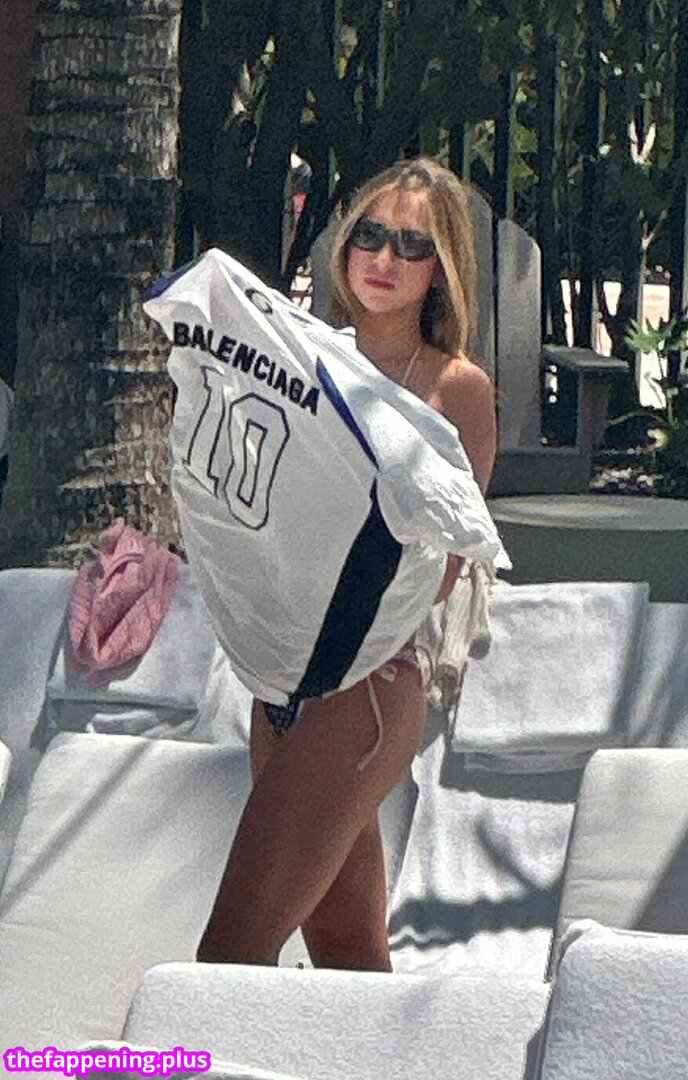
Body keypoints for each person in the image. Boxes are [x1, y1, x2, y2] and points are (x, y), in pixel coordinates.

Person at [196, 157, 497, 972]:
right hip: (280, 680)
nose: (385, 257)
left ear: (442, 269)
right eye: (371, 234)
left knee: (230, 951)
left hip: (368, 684)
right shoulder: (301, 361)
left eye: (413, 244)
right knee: (347, 952)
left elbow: (438, 571)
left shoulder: (457, 389)